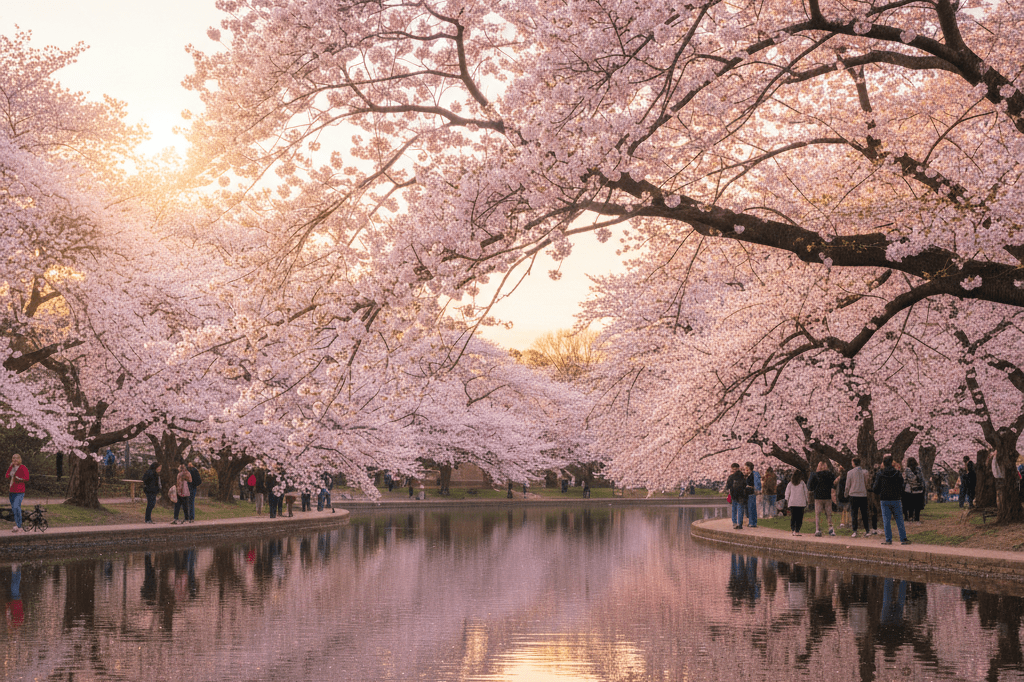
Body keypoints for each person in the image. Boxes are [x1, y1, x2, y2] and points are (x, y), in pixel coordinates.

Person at [873, 454, 910, 545]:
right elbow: (902, 486)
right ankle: (903, 538)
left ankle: (888, 539)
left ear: (884, 463)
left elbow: (875, 488)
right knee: (899, 519)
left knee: (886, 520)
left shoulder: (880, 474)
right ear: (892, 462)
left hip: (884, 499)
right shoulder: (898, 473)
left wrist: (880, 492)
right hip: (896, 498)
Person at [807, 461, 836, 537]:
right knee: (829, 514)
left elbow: (810, 486)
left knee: (817, 514)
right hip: (827, 496)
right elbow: (833, 484)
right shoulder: (830, 474)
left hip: (818, 496)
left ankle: (817, 529)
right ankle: (831, 529)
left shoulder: (815, 475)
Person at [845, 457, 870, 538]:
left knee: (854, 513)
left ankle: (855, 531)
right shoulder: (865, 472)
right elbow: (866, 483)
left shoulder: (850, 473)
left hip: (853, 494)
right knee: (864, 513)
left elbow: (847, 485)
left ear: (853, 463)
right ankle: (867, 530)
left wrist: (846, 494)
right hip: (863, 495)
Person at [6, 454, 29, 533]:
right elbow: (6, 476)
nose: (15, 460)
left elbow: (27, 478)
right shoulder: (11, 468)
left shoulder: (23, 467)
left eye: (17, 458)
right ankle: (18, 525)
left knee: (16, 507)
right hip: (12, 490)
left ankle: (19, 526)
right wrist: (10, 468)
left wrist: (19, 479)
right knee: (14, 509)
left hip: (20, 491)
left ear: (20, 459)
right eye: (13, 458)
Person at [785, 469, 809, 536]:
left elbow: (787, 493)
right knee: (799, 517)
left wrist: (786, 500)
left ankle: (793, 530)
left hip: (792, 502)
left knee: (793, 517)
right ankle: (797, 530)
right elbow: (806, 492)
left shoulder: (790, 483)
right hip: (801, 503)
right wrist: (807, 500)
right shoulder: (802, 483)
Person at [725, 463, 748, 529]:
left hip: (734, 495)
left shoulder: (731, 477)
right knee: (740, 509)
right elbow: (745, 485)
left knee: (734, 510)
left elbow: (728, 486)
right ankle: (740, 523)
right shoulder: (743, 476)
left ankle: (734, 523)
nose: (734, 470)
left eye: (734, 469)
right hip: (741, 495)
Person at [903, 457, 926, 523]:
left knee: (910, 504)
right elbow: (922, 479)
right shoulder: (919, 469)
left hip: (910, 490)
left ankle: (910, 517)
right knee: (917, 505)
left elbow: (905, 479)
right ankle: (917, 518)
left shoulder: (907, 470)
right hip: (919, 490)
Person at [745, 461, 760, 528]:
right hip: (749, 493)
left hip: (751, 493)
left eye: (746, 469)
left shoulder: (753, 475)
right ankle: (752, 522)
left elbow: (756, 484)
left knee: (751, 508)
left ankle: (752, 523)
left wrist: (749, 486)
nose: (745, 470)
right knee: (750, 508)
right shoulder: (749, 475)